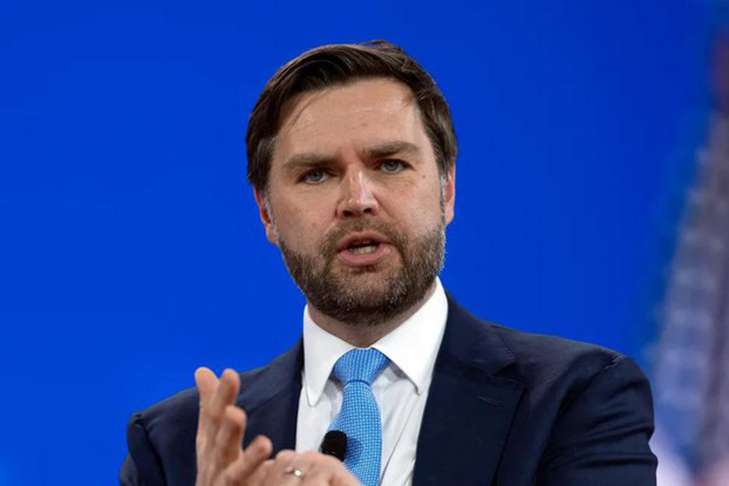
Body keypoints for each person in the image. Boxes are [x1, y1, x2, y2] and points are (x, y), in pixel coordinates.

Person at [120, 40, 657, 486]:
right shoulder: (175, 446)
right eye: (317, 174)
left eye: (390, 164)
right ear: (266, 213)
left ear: (447, 190)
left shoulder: (577, 399)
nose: (358, 199)